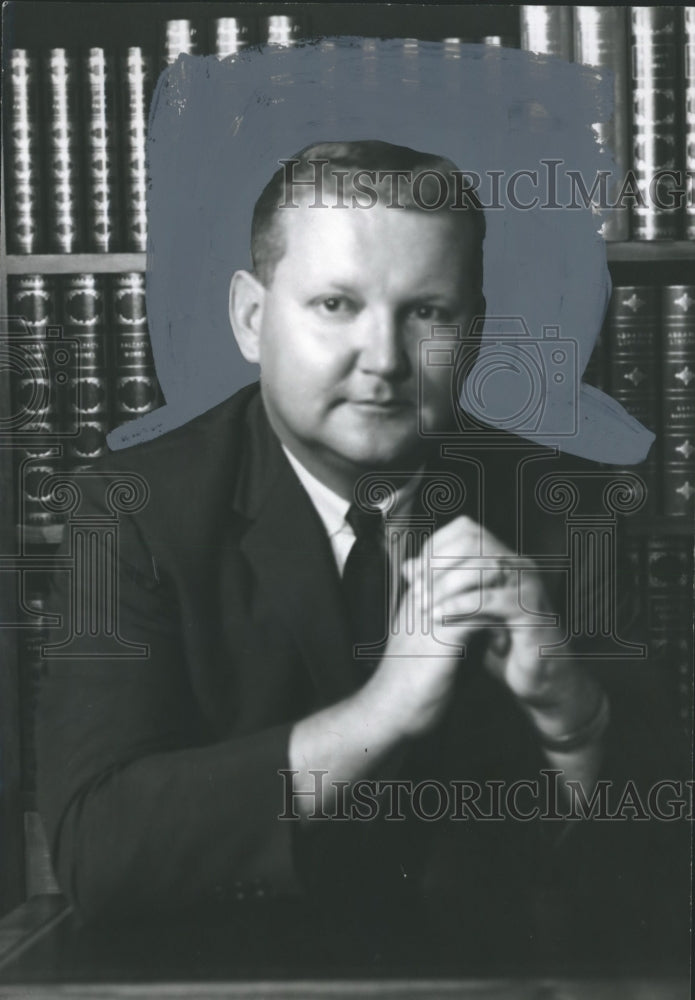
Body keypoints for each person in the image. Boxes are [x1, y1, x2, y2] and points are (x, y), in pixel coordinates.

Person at [37, 141, 687, 971]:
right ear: (250, 318)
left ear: (474, 333)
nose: (383, 360)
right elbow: (95, 851)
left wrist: (575, 717)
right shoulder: (125, 513)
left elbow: (661, 865)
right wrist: (382, 714)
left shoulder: (572, 510)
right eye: (337, 304)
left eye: (428, 313)